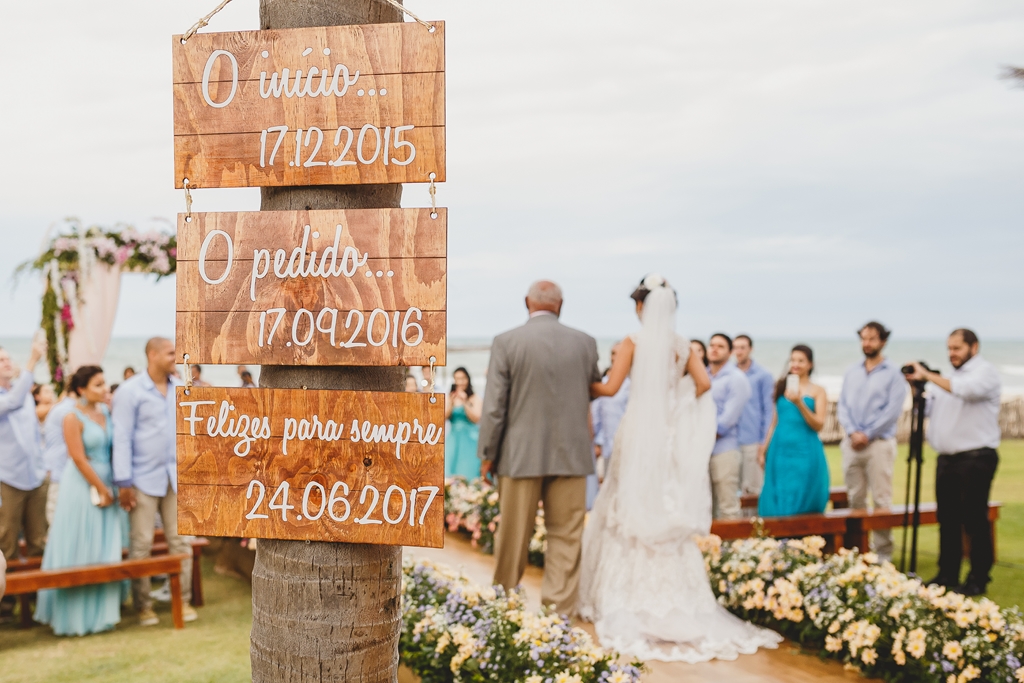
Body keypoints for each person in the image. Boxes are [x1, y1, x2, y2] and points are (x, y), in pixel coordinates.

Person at [579, 274, 781, 661]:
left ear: (641, 306)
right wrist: (675, 405)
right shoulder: (682, 346)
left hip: (638, 431)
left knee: (627, 501)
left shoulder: (632, 342)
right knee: (663, 502)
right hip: (666, 437)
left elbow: (609, 388)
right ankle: (678, 599)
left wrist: (583, 381)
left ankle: (625, 596)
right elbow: (704, 384)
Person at [477, 280, 601, 615]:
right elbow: (591, 390)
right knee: (566, 537)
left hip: (520, 456)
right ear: (560, 305)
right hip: (572, 456)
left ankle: (503, 607)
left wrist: (487, 455)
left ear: (527, 302)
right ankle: (557, 616)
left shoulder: (506, 341)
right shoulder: (586, 342)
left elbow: (494, 407)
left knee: (514, 535)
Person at [905, 329, 1001, 596]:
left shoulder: (985, 373)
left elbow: (966, 392)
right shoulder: (948, 379)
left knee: (974, 520)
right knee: (946, 519)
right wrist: (917, 388)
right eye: (949, 348)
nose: (952, 354)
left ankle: (978, 577)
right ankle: (947, 574)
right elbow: (929, 411)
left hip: (975, 457)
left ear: (974, 347)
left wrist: (928, 375)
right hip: (947, 459)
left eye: (957, 348)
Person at [35, 366, 129, 636]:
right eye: (98, 385)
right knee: (81, 547)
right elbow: (77, 458)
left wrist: (116, 485)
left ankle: (103, 613)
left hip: (107, 483)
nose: (104, 389)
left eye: (104, 384)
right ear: (81, 389)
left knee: (103, 547)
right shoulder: (70, 417)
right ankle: (74, 616)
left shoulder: (106, 413)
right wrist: (101, 488)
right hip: (82, 487)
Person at [113, 337, 197, 625]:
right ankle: (143, 606)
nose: (176, 357)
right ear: (152, 354)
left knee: (180, 540)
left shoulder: (179, 388)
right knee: (141, 543)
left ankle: (182, 600)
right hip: (140, 479)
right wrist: (123, 481)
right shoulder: (130, 391)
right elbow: (121, 436)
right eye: (170, 353)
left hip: (175, 477)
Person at [837, 322, 907, 562]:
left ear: (883, 342)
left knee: (881, 499)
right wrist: (852, 431)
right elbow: (843, 405)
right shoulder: (852, 371)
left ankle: (883, 555)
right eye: (864, 339)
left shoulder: (893, 374)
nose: (867, 343)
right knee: (855, 498)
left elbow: (891, 411)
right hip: (851, 444)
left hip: (878, 444)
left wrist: (867, 434)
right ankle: (859, 552)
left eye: (872, 339)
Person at [758, 345, 830, 517]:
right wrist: (764, 449)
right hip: (780, 449)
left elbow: (818, 424)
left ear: (810, 364)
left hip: (805, 449)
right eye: (792, 360)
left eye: (800, 360)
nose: (795, 364)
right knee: (777, 490)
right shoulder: (781, 387)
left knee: (803, 490)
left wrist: (799, 402)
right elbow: (774, 422)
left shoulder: (818, 391)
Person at [0, 337, 49, 562]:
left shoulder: (23, 394)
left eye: (8, 358)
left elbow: (34, 434)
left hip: (36, 477)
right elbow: (13, 402)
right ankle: (7, 597)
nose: (7, 362)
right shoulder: (15, 397)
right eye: (1, 360)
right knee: (7, 541)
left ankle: (40, 596)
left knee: (38, 541)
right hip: (9, 480)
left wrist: (44, 465)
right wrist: (32, 360)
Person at [706, 334, 751, 519]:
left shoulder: (736, 378)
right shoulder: (704, 376)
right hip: (702, 451)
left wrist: (704, 434)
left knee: (728, 506)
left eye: (720, 346)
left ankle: (732, 548)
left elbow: (728, 419)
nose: (714, 349)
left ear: (730, 352)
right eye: (712, 345)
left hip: (724, 450)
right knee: (707, 506)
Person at [588, 342, 630, 509]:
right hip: (607, 446)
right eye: (612, 353)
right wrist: (596, 442)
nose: (615, 357)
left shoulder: (632, 384)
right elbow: (596, 414)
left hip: (627, 446)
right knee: (609, 491)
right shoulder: (603, 382)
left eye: (618, 353)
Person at [733, 335, 774, 496]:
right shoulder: (729, 374)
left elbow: (769, 410)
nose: (739, 351)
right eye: (736, 347)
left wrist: (763, 443)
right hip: (731, 441)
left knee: (753, 490)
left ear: (750, 349)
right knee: (733, 490)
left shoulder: (763, 375)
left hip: (753, 440)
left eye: (742, 347)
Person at [43, 387, 79, 525]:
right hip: (60, 472)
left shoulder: (63, 408)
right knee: (58, 520)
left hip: (61, 471)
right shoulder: (67, 410)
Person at [444, 367, 482, 480]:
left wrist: (465, 402)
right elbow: (444, 417)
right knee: (449, 469)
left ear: (468, 379)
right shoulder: (450, 397)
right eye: (457, 379)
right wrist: (451, 403)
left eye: (462, 378)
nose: (460, 382)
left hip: (470, 438)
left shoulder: (475, 398)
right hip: (454, 438)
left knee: (469, 469)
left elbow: (476, 418)